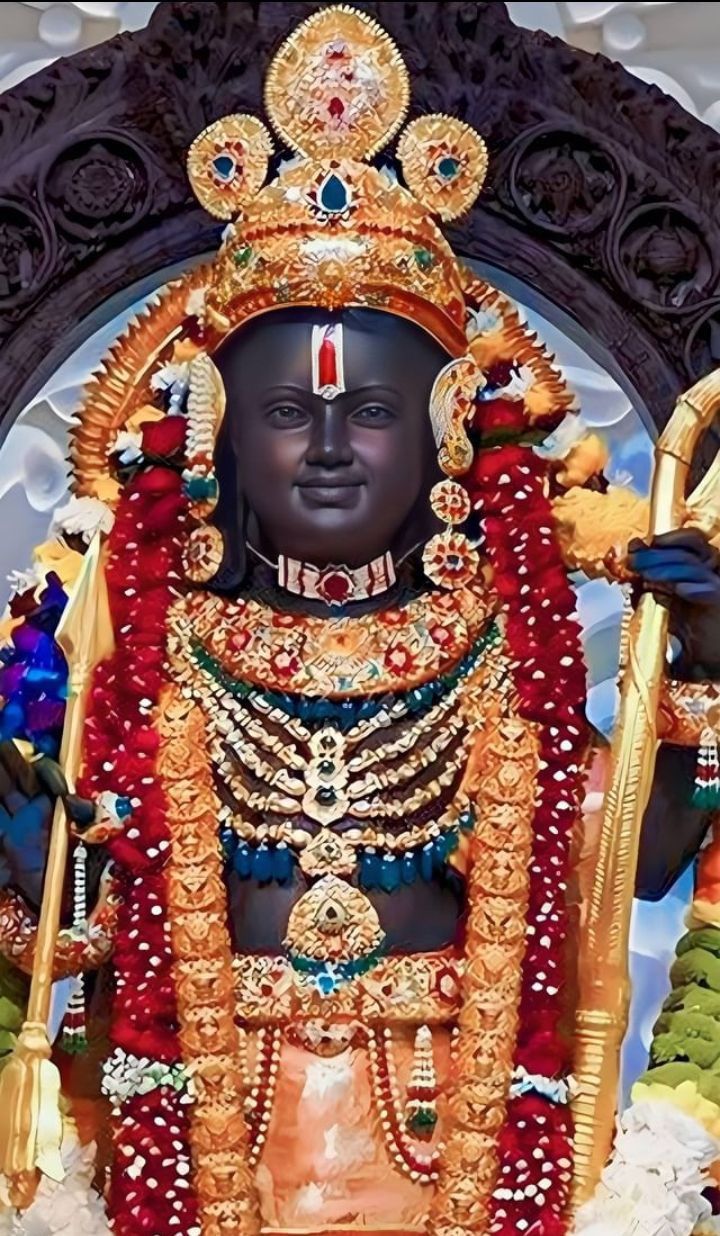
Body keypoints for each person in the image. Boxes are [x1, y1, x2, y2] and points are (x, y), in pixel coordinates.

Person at [0, 8, 719, 1236]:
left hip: (460, 1148)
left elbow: (630, 865)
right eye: (287, 411)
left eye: (371, 413)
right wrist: (34, 852)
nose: (329, 448)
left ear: (450, 430)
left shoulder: (503, 665)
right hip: (195, 1147)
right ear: (219, 435)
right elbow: (85, 921)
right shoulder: (141, 645)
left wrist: (705, 663)